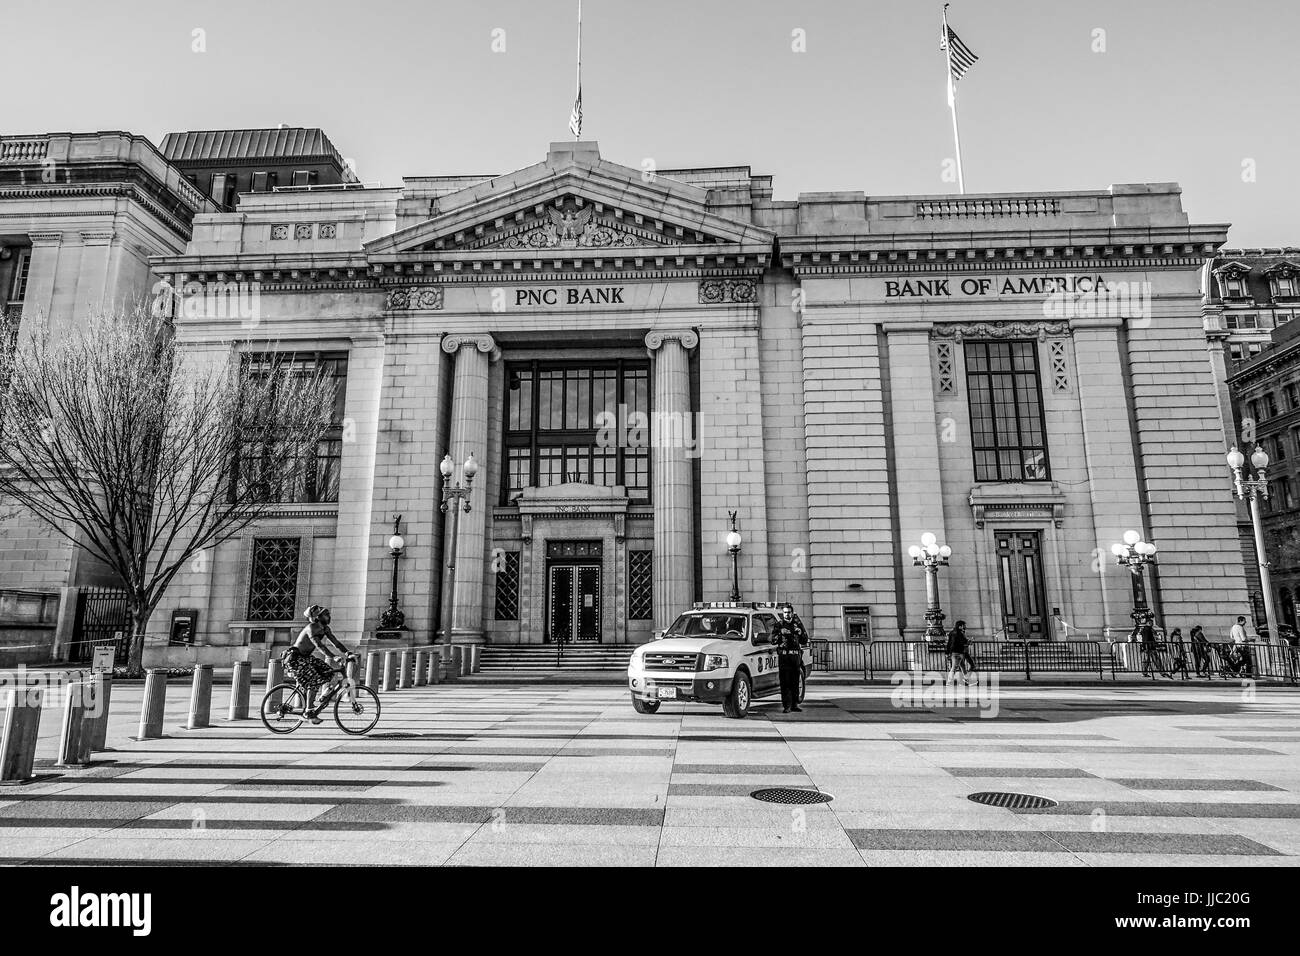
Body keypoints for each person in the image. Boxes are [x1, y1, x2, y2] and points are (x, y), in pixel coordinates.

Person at [284, 605, 350, 723]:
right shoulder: (311, 628)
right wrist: (334, 657)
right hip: (295, 658)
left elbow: (336, 643)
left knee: (330, 673)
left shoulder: (325, 629)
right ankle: (308, 712)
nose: (329, 616)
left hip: (306, 658)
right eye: (326, 614)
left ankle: (324, 695)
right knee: (314, 680)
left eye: (328, 614)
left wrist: (347, 653)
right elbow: (319, 645)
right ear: (318, 617)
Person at [771, 604, 806, 713]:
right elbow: (773, 640)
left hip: (795, 656)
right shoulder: (779, 625)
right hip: (784, 656)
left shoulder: (797, 625)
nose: (787, 614)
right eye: (785, 612)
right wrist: (781, 634)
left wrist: (800, 633)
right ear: (783, 613)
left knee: (795, 681)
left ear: (792, 613)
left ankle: (795, 704)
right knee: (785, 682)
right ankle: (787, 706)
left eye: (789, 612)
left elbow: (804, 640)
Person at [945, 620, 971, 685]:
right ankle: (949, 682)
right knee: (955, 667)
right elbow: (963, 642)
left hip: (954, 652)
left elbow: (949, 643)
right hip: (958, 652)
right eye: (964, 625)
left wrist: (947, 652)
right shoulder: (960, 633)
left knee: (962, 666)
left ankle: (966, 680)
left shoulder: (951, 633)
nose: (965, 627)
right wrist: (968, 642)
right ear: (960, 626)